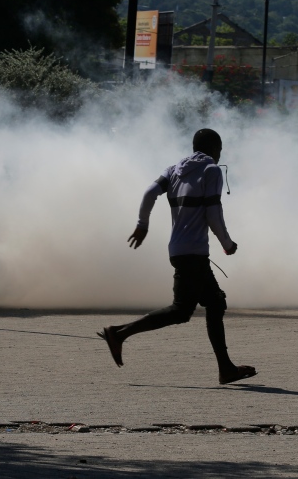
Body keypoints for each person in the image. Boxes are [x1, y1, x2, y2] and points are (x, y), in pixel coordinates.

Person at [99, 128, 257, 385]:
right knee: (181, 311)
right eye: (219, 150)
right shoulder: (212, 170)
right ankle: (119, 334)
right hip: (193, 253)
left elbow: (150, 193)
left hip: (179, 250)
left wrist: (142, 225)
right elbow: (213, 213)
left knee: (215, 302)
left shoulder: (173, 170)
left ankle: (226, 368)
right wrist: (227, 244)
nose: (219, 155)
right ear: (214, 149)